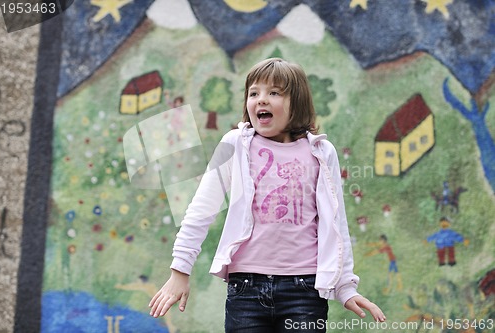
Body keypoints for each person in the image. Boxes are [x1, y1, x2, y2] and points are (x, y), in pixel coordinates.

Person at [149, 58, 386, 332]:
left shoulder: (321, 152)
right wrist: (180, 271)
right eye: (253, 93)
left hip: (305, 291)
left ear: (296, 103)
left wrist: (345, 287)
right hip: (246, 289)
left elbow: (335, 223)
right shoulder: (235, 145)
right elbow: (201, 210)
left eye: (274, 93)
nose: (261, 99)